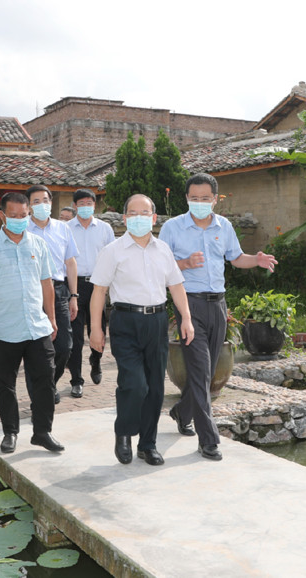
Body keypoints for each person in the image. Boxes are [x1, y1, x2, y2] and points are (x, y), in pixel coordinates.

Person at [158, 172, 278, 461]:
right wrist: (184, 263)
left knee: (207, 372)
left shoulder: (223, 226)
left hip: (219, 305)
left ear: (215, 199)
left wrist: (256, 260)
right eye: (194, 198)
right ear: (186, 198)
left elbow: (235, 258)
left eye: (205, 198)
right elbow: (159, 265)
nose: (199, 202)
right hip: (188, 304)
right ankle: (208, 439)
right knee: (200, 370)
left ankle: (181, 411)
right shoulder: (173, 228)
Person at [89, 194, 194, 466]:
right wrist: (96, 329)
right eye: (133, 213)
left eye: (144, 213)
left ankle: (147, 445)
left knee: (156, 388)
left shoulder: (164, 250)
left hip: (157, 321)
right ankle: (123, 433)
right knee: (134, 384)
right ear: (124, 219)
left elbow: (176, 286)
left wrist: (186, 318)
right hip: (125, 322)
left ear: (154, 218)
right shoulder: (112, 251)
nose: (139, 218)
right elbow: (99, 291)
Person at [0, 192, 64, 454]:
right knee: (5, 384)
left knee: (45, 381)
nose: (20, 220)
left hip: (37, 326)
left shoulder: (38, 245)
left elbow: (47, 283)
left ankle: (42, 432)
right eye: (14, 216)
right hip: (3, 329)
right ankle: (10, 432)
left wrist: (52, 318)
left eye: (24, 215)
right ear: (2, 216)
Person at [26, 184, 79, 403]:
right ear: (29, 206)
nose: (42, 205)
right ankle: (38, 395)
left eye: (46, 200)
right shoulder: (23, 230)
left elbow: (70, 262)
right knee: (35, 348)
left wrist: (74, 296)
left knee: (64, 346)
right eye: (36, 201)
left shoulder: (63, 228)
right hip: (31, 292)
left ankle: (49, 383)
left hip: (59, 291)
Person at [67, 188, 115, 396]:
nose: (86, 206)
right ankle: (76, 379)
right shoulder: (66, 228)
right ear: (75, 206)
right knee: (75, 337)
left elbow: (112, 257)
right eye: (82, 203)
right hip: (74, 285)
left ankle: (96, 361)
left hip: (98, 285)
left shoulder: (105, 229)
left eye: (90, 203)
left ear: (95, 205)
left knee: (98, 330)